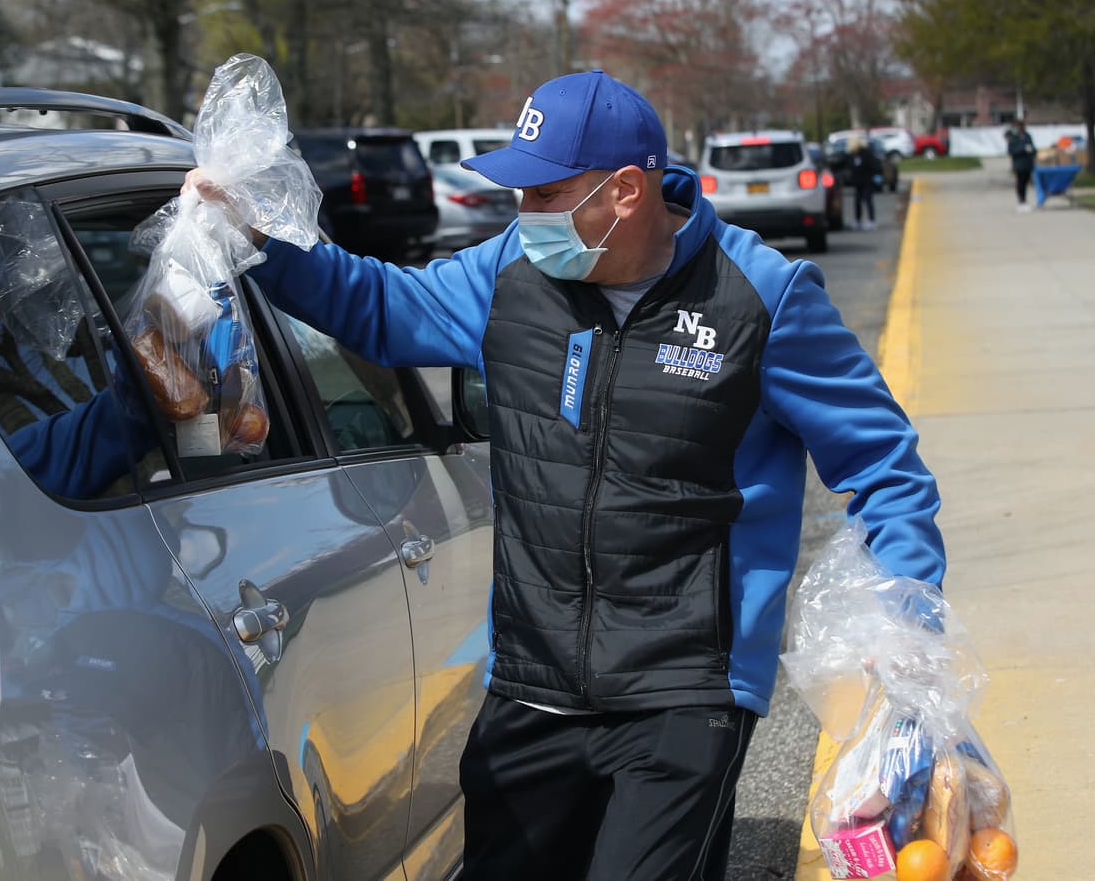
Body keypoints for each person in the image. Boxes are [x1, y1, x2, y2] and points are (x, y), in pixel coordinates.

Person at [185, 69, 945, 880]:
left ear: (624, 191)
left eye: (545, 194)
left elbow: (884, 463)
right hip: (532, 681)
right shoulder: (512, 272)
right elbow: (377, 304)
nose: (524, 215)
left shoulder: (762, 297)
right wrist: (252, 236)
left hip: (685, 694)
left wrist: (907, 631)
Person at [846, 134, 881, 229]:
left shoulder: (866, 154)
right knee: (857, 201)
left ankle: (871, 220)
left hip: (867, 181)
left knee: (868, 199)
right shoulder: (851, 155)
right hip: (857, 183)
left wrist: (876, 177)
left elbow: (875, 166)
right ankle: (858, 220)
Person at [1005, 117, 1037, 212]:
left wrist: (1031, 150)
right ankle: (1021, 200)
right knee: (1020, 183)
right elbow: (1011, 151)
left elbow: (1033, 148)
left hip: (1028, 163)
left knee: (1026, 182)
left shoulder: (1027, 136)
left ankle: (1024, 200)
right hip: (1018, 164)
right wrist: (1023, 149)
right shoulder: (1013, 137)